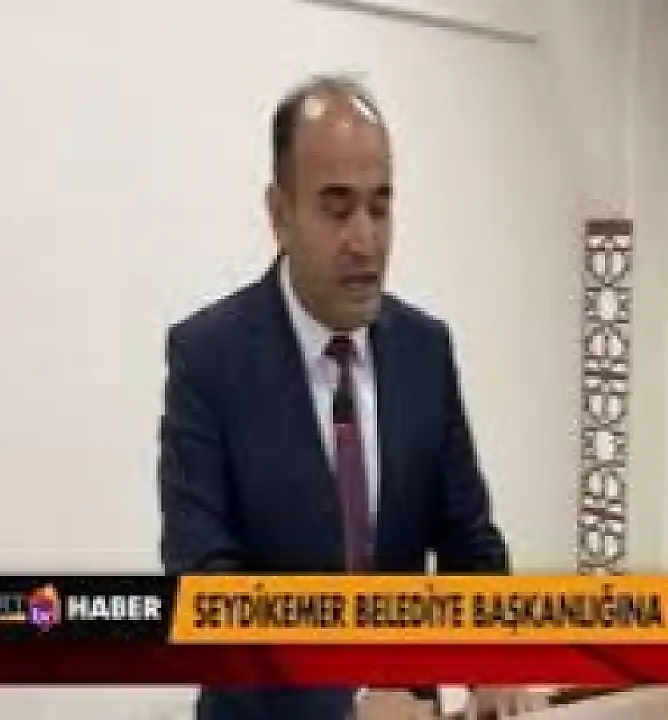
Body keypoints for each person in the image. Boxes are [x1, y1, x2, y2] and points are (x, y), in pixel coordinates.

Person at [157, 75, 542, 720]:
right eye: (337, 209)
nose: (365, 240)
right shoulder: (209, 358)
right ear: (279, 214)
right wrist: (346, 704)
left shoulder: (425, 350)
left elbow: (469, 542)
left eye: (380, 207)